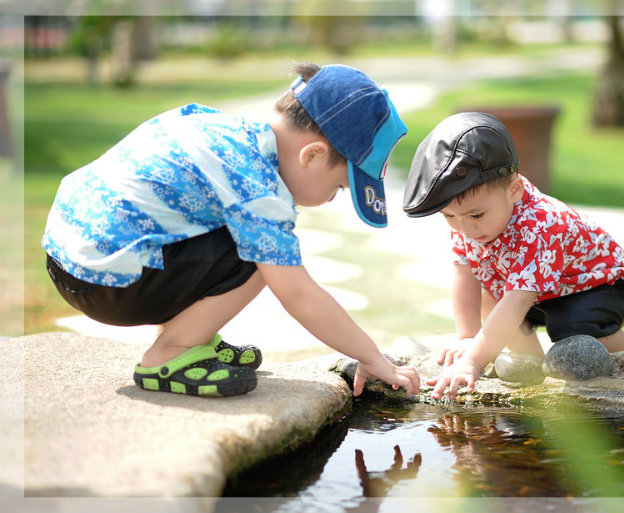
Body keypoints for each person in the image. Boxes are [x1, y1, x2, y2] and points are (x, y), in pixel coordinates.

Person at [42, 63, 420, 398]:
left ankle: (194, 337)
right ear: (313, 155)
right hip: (105, 282)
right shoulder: (257, 186)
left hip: (70, 257)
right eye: (339, 188)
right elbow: (298, 295)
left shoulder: (224, 129)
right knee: (265, 256)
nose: (329, 199)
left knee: (251, 238)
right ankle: (169, 354)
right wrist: (370, 356)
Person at [402, 112, 624, 400]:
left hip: (601, 284)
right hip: (543, 290)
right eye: (449, 216)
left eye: (476, 214)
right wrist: (468, 336)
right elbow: (464, 272)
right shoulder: (469, 221)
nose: (465, 227)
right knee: (491, 296)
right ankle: (533, 371)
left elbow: (518, 300)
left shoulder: (541, 225)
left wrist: (472, 362)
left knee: (571, 326)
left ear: (514, 190)